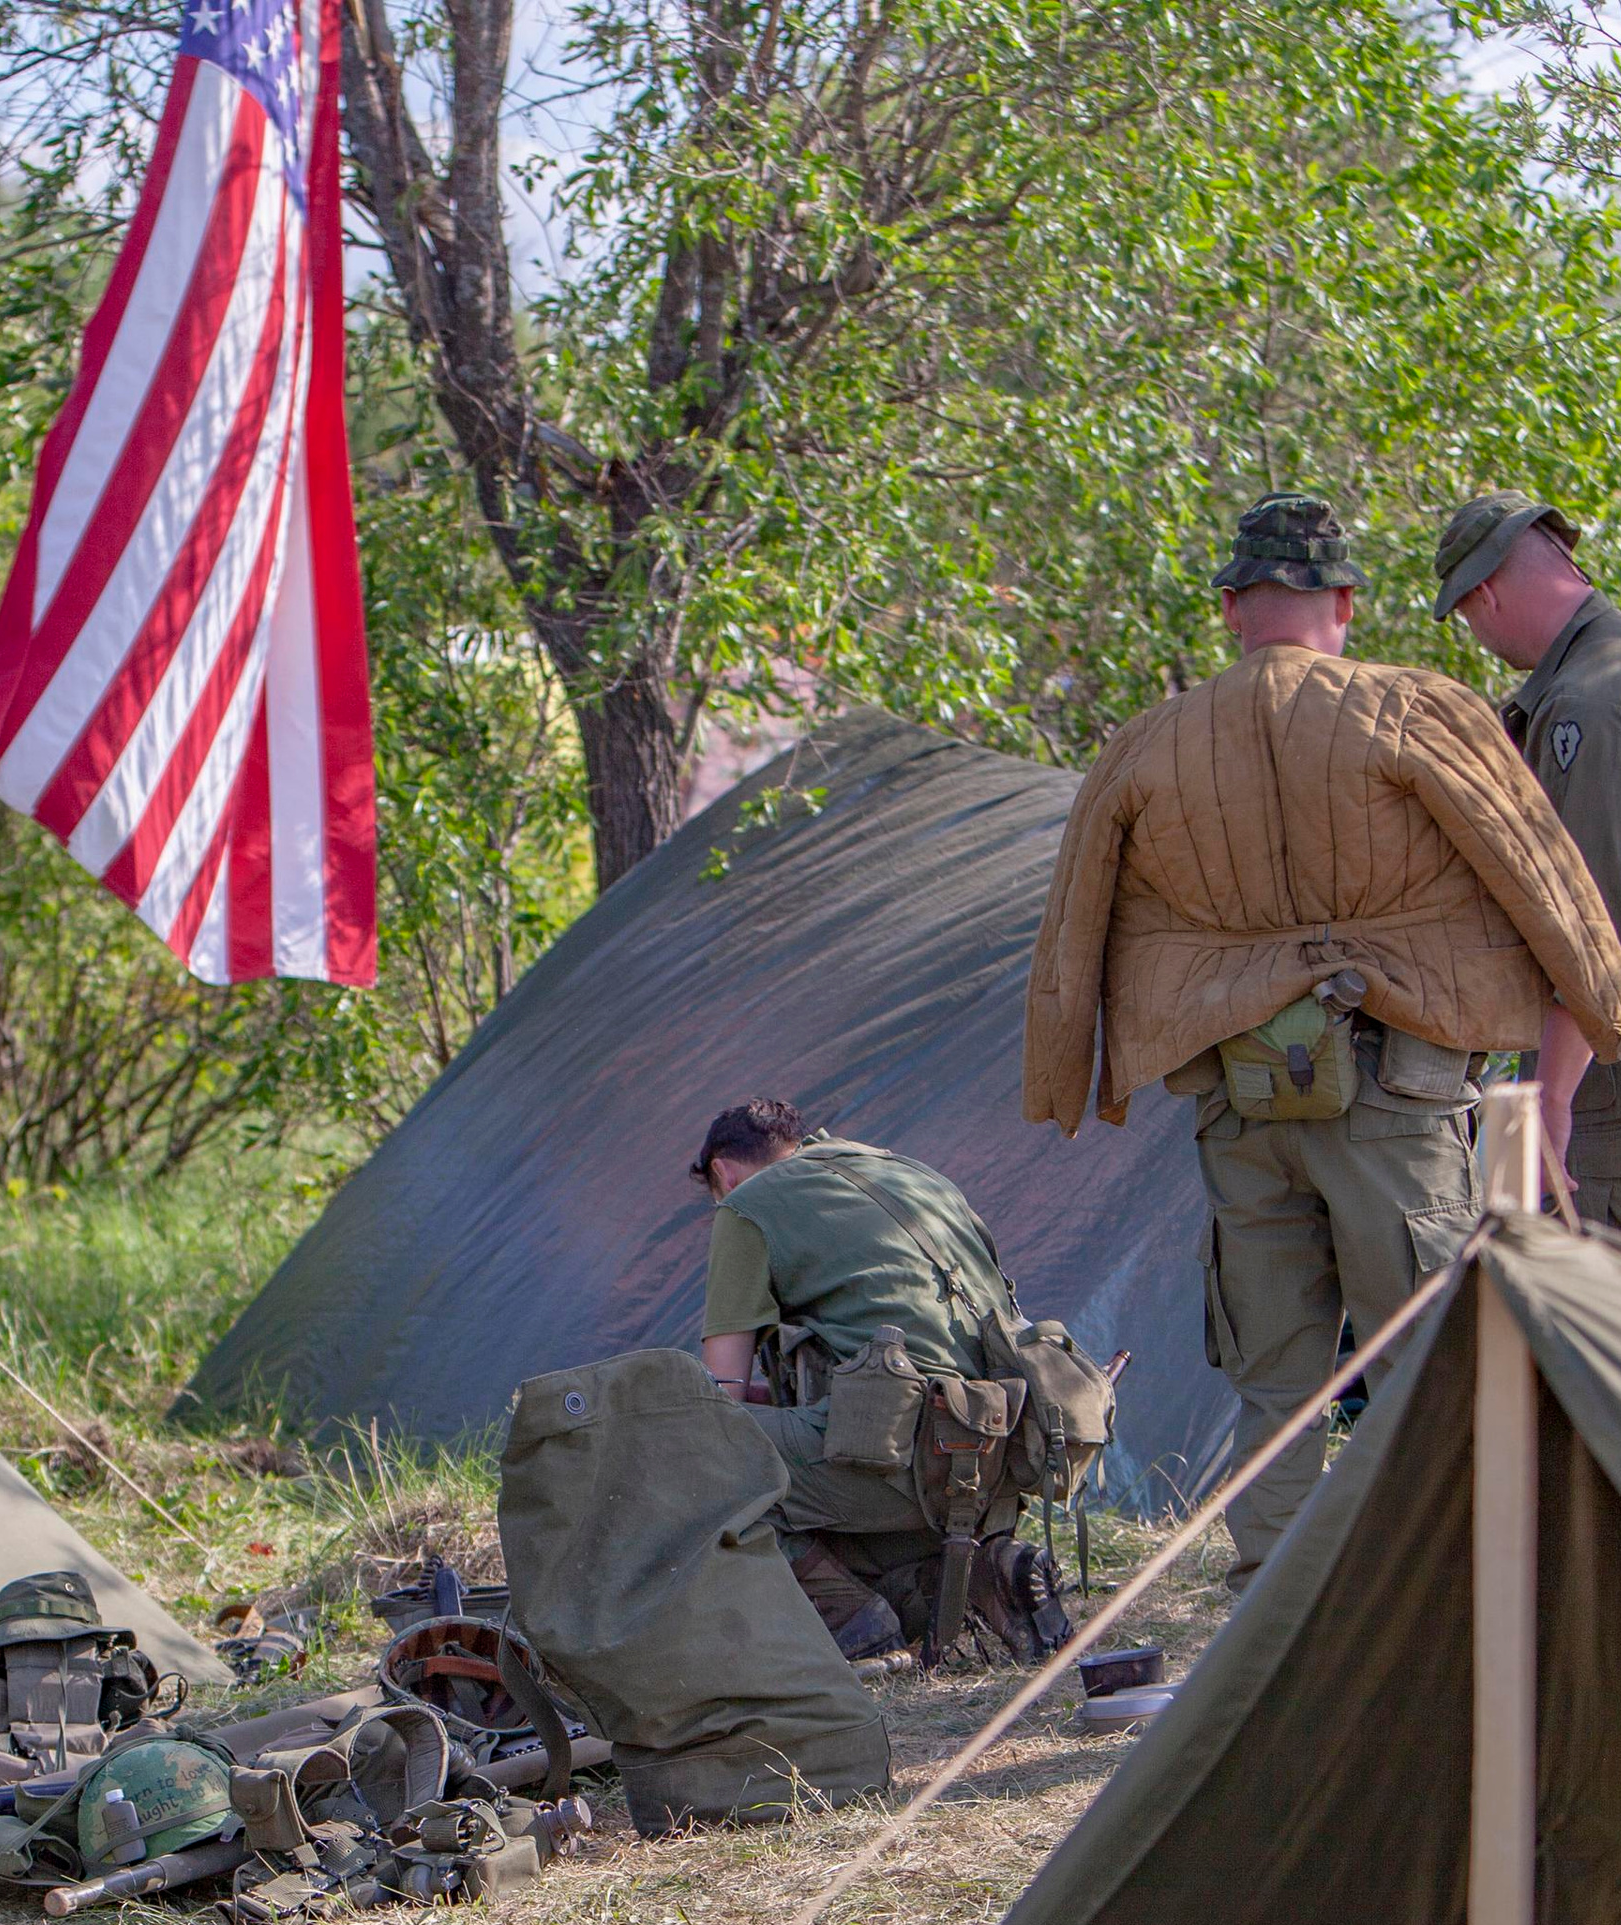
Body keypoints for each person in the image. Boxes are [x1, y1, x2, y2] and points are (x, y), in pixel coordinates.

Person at [1027, 491, 1621, 1591]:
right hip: (1393, 1099)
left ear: (1228, 610)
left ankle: (1278, 1605)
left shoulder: (1144, 745)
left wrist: (1068, 1078)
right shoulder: (1415, 711)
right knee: (1426, 1361)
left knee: (1273, 1378)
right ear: (1343, 603)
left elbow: (1069, 932)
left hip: (1239, 1109)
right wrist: (1598, 1010)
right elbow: (1550, 884)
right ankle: (1445, 1596)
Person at [691, 1097, 1064, 1661]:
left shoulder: (747, 1204)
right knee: (849, 1518)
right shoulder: (909, 1172)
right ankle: (984, 1578)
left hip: (899, 1461)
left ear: (722, 1172)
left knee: (691, 1455)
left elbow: (722, 1401)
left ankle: (848, 1620)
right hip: (1002, 1454)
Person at [1434, 492, 1621, 1218]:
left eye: (1468, 617)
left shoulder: (1586, 705)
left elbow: (1590, 924)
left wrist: (1546, 1103)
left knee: (1573, 1316)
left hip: (1595, 1091)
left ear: (1484, 594)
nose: (1479, 637)